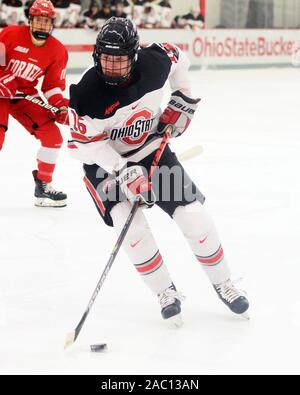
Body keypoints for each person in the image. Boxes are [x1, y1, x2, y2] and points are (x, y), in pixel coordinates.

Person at [68, 17, 249, 325]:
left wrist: (183, 98)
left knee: (193, 215)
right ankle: (166, 291)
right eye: (106, 59)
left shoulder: (155, 61)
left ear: (135, 55)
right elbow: (85, 147)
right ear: (97, 55)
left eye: (120, 59)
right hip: (105, 164)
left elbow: (181, 59)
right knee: (131, 228)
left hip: (152, 150)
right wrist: (122, 170)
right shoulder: (86, 93)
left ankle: (224, 283)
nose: (112, 67)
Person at [0, 0, 68, 207]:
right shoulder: (8, 34)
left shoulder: (58, 51)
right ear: (30, 20)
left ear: (52, 24)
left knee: (54, 138)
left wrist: (59, 105)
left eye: (46, 22)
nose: (42, 26)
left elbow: (52, 86)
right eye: (38, 21)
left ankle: (43, 187)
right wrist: (2, 76)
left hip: (25, 95)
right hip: (0, 92)